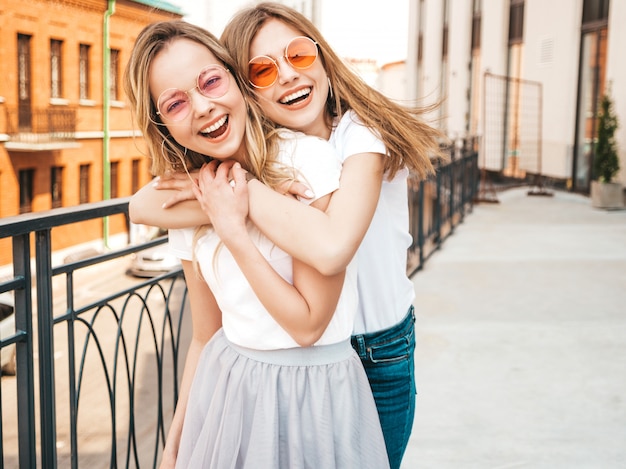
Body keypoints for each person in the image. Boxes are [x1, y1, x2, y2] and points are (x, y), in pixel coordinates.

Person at [130, 4, 446, 468]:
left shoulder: (356, 139)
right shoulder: (241, 170)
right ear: (248, 88)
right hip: (253, 375)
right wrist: (176, 441)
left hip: (373, 351)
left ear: (321, 55)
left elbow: (332, 249)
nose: (288, 77)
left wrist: (245, 196)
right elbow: (141, 206)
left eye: (298, 55)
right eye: (262, 70)